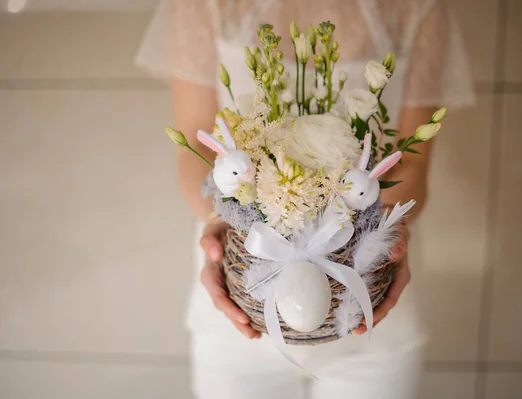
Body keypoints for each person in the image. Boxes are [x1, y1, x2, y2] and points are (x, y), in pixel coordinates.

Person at [136, 0, 474, 397]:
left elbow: (413, 169)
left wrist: (381, 231)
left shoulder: (418, 8)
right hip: (240, 300)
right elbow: (194, 148)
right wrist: (224, 221)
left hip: (369, 310)